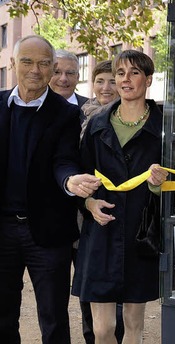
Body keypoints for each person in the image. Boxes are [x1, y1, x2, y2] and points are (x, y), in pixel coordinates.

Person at [0, 35, 101, 344]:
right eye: (27, 62)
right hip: (2, 231)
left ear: (53, 67)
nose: (35, 70)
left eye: (44, 63)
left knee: (54, 316)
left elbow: (64, 160)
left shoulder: (66, 113)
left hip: (46, 232)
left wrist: (70, 181)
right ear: (14, 64)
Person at [72, 50, 167, 344]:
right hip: (101, 232)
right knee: (102, 329)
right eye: (121, 74)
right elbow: (80, 175)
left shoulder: (164, 127)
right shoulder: (96, 126)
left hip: (140, 233)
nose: (126, 80)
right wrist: (87, 203)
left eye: (134, 73)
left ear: (148, 80)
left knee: (133, 324)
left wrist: (157, 185)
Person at [77, 60, 125, 344]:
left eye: (111, 80)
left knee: (116, 290)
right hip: (83, 210)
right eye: (100, 81)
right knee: (88, 288)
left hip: (111, 210)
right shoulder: (79, 115)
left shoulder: (124, 117)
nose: (106, 87)